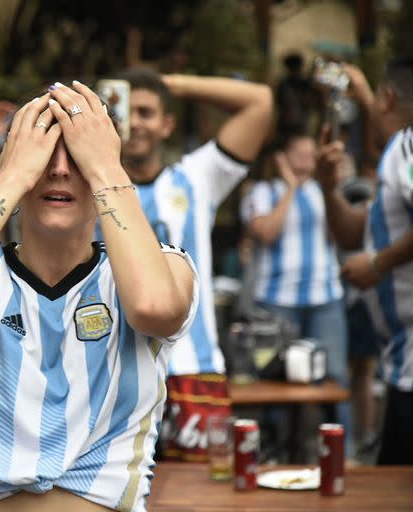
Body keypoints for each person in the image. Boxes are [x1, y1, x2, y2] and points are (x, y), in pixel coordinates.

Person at [0, 82, 198, 511]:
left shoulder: (161, 267)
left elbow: (155, 307)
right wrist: (12, 175)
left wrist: (107, 171)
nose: (58, 169)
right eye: (43, 150)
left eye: (76, 154)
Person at [115, 68, 272, 459]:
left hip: (192, 369)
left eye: (147, 112)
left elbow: (261, 103)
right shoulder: (86, 186)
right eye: (125, 111)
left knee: (201, 496)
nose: (134, 123)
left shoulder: (196, 177)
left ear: (168, 124)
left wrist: (169, 83)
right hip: (113, 376)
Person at [316, 58, 413, 465]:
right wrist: (329, 190)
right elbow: (354, 232)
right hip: (408, 366)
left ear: (387, 98)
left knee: (409, 493)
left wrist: (378, 264)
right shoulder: (403, 157)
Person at [240, 131, 351, 449]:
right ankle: (277, 449)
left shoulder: (322, 192)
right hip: (278, 299)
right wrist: (289, 188)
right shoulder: (262, 191)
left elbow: (342, 235)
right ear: (281, 159)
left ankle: (341, 449)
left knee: (335, 376)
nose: (306, 163)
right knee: (276, 380)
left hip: (325, 297)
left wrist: (332, 187)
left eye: (310, 156)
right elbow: (267, 233)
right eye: (299, 156)